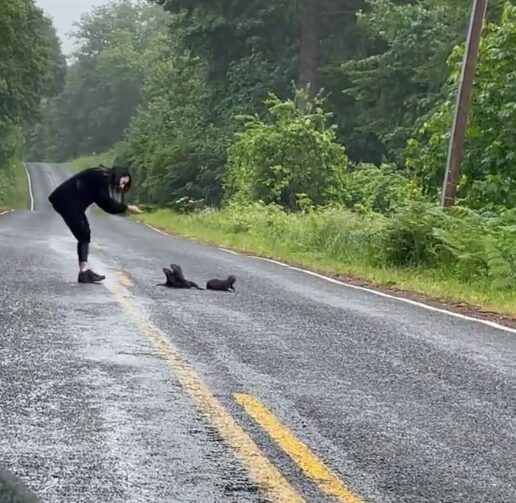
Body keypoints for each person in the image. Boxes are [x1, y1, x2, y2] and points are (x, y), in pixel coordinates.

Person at [48, 164, 142, 283]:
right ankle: (83, 273)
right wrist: (126, 208)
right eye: (123, 181)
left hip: (69, 202)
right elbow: (106, 203)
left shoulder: (101, 175)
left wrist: (124, 208)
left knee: (85, 232)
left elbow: (105, 202)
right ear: (119, 175)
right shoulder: (102, 177)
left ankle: (84, 271)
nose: (121, 185)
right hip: (66, 201)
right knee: (83, 234)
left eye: (124, 185)